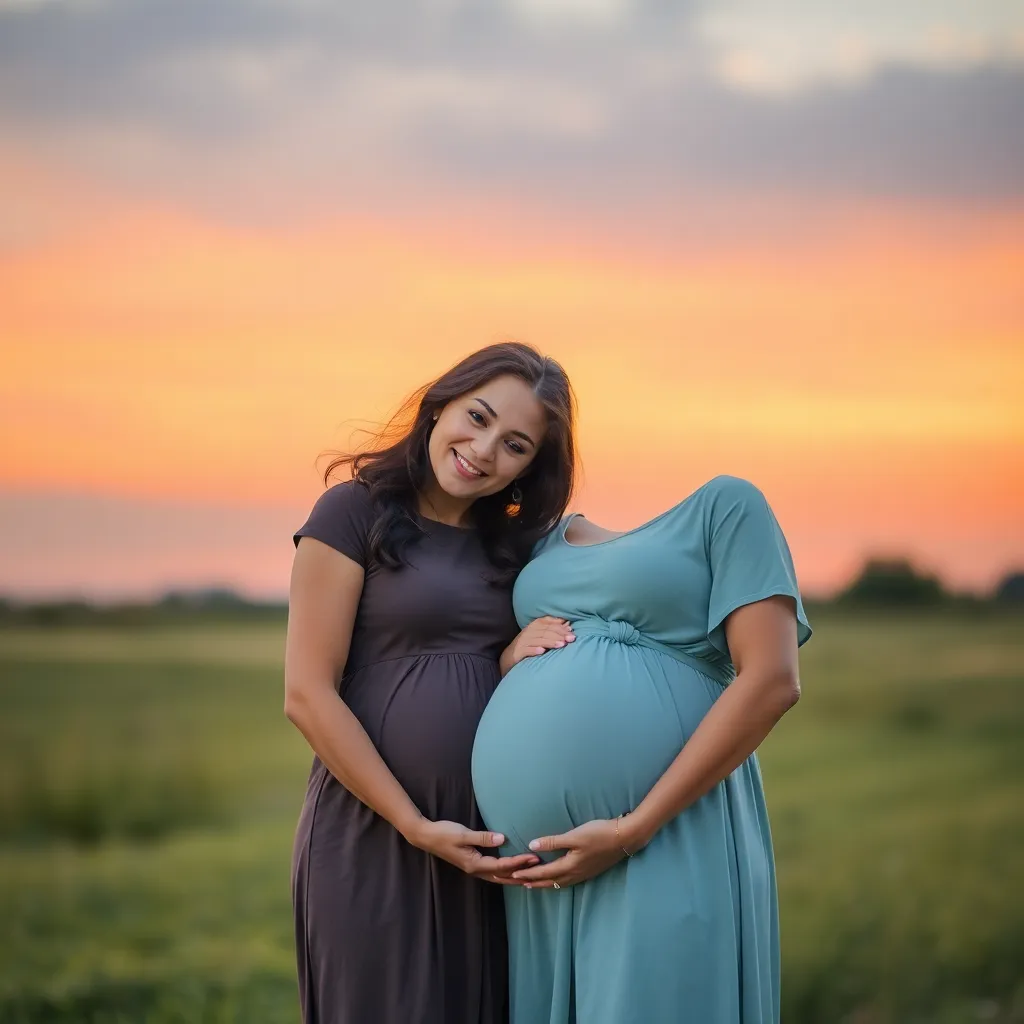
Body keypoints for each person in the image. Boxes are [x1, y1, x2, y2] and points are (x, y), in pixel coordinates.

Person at [284, 342, 577, 1024]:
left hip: (487, 847)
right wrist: (414, 825)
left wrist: (510, 661)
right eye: (477, 417)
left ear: (530, 467)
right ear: (439, 405)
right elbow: (307, 694)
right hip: (374, 833)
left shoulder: (517, 548)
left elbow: (483, 668)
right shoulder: (352, 513)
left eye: (515, 445)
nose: (483, 450)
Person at [472, 475, 812, 1024]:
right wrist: (511, 656)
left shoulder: (727, 506)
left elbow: (772, 680)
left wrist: (632, 830)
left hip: (663, 832)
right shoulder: (538, 540)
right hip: (532, 873)